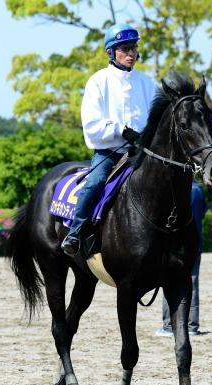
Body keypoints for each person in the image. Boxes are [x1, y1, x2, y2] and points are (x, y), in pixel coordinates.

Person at [61, 23, 157, 256]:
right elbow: (92, 124)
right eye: (124, 48)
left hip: (142, 153)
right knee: (94, 183)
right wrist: (121, 130)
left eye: (133, 48)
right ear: (111, 52)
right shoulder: (97, 81)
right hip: (110, 152)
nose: (131, 53)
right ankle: (75, 233)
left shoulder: (147, 83)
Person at [156, 181, 207, 337]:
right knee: (192, 285)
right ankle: (192, 326)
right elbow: (202, 213)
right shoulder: (198, 189)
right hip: (194, 244)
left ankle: (169, 326)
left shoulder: (171, 187)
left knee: (169, 283)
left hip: (173, 245)